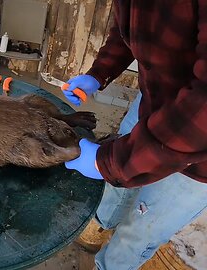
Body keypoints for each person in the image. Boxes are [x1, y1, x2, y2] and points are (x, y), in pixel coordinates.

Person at [62, 1, 207, 270]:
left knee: (139, 232)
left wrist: (112, 162)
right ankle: (100, 228)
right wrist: (98, 73)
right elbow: (130, 28)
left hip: (198, 144)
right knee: (115, 188)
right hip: (154, 101)